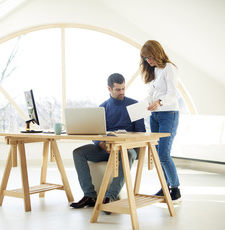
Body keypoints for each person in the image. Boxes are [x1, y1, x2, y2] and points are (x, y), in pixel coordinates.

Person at [70, 73, 146, 212]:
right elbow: (95, 133)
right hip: (107, 148)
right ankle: (89, 195)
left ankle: (109, 197)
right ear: (109, 89)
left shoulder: (135, 105)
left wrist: (124, 145)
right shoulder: (103, 107)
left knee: (128, 155)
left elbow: (141, 133)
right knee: (78, 153)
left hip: (126, 148)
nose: (121, 92)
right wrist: (102, 144)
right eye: (118, 89)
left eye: (123, 88)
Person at [140, 40, 181, 202]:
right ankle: (165, 188)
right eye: (145, 58)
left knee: (164, 154)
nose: (148, 61)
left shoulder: (169, 68)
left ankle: (175, 189)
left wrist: (159, 102)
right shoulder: (153, 71)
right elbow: (151, 93)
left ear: (157, 53)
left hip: (168, 114)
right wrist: (147, 103)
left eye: (150, 57)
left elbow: (173, 94)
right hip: (155, 116)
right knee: (158, 155)